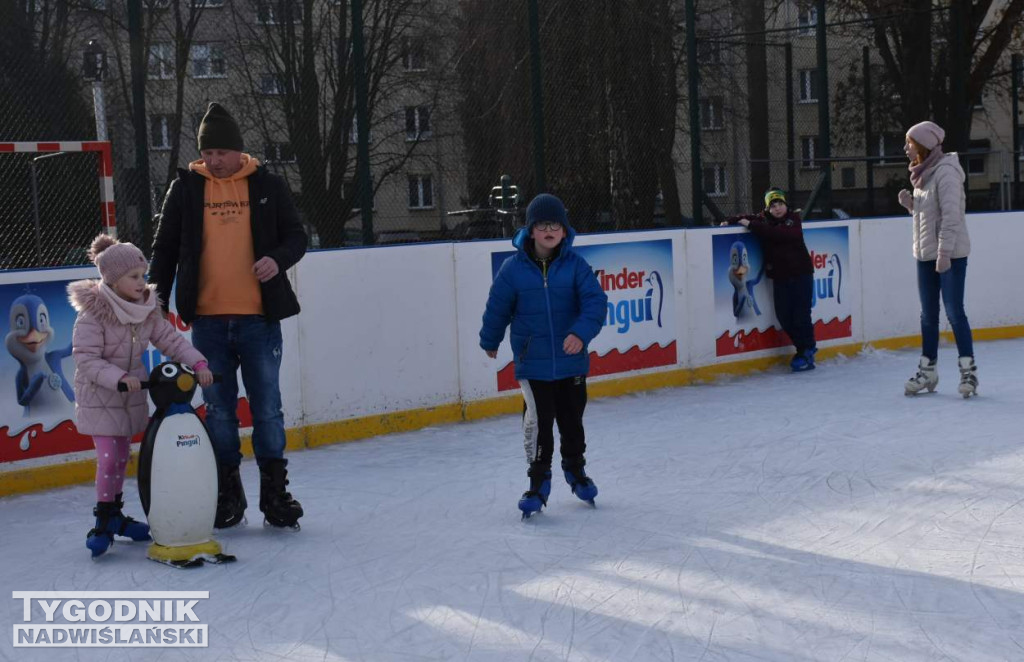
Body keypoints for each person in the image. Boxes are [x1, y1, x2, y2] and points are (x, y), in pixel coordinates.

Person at [150, 102, 308, 529]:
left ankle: (275, 495)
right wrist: (156, 300)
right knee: (218, 410)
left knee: (268, 408)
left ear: (239, 151)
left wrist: (276, 259)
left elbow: (298, 236)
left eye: (221, 152)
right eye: (208, 153)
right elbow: (164, 248)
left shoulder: (267, 185)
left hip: (259, 319)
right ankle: (226, 494)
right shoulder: (185, 189)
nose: (214, 161)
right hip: (208, 323)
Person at [69, 234, 213, 557]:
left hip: (129, 394)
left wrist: (198, 362)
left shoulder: (147, 310)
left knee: (122, 458)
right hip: (100, 395)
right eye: (134, 277)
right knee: (108, 459)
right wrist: (117, 377)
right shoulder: (93, 313)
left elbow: (171, 342)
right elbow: (86, 358)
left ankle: (116, 514)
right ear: (113, 279)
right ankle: (104, 518)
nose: (142, 282)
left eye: (143, 275)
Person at [479, 193, 608, 518]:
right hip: (532, 364)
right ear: (531, 231)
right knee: (538, 424)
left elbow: (595, 303)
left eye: (555, 225)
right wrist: (490, 338)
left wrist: (580, 333)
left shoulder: (576, 267)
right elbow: (498, 306)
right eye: (542, 225)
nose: (549, 230)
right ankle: (538, 482)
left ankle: (575, 470)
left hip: (571, 363)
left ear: (565, 231)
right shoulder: (513, 270)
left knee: (572, 421)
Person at [897, 120, 977, 397]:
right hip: (925, 255)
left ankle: (969, 373)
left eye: (910, 143)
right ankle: (928, 371)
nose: (906, 148)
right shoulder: (923, 173)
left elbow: (951, 217)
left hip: (949, 254)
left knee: (955, 312)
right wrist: (912, 207)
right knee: (928, 316)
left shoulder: (946, 173)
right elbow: (931, 216)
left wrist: (944, 254)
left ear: (924, 145)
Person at [722, 188, 818, 371]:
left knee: (801, 316)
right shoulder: (763, 220)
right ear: (767, 209)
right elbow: (747, 216)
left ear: (786, 205)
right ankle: (805, 347)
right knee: (784, 316)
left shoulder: (793, 220)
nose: (778, 208)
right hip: (781, 277)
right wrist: (731, 221)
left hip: (801, 275)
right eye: (773, 205)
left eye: (780, 204)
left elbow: (780, 235)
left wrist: (752, 226)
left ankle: (806, 350)